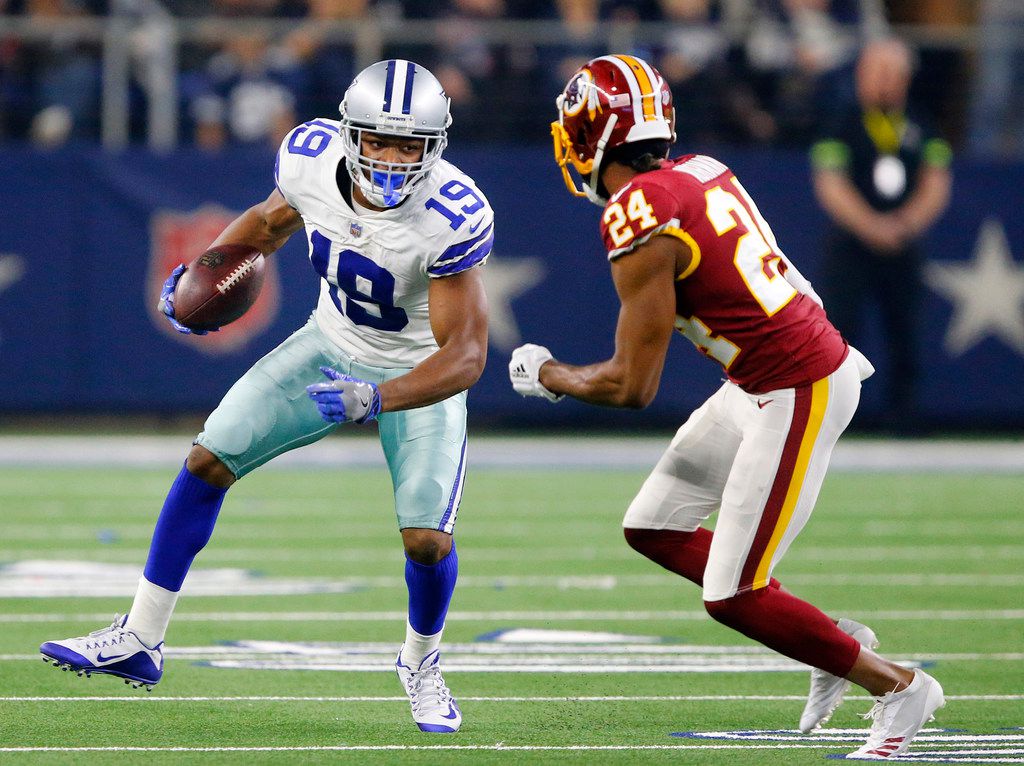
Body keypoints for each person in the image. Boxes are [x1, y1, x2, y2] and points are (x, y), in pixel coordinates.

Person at [509, 54, 943, 759]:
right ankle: (829, 638)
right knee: (654, 526)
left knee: (733, 594)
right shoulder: (701, 170)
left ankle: (898, 687)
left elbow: (631, 387)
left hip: (793, 386)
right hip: (761, 379)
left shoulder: (637, 214)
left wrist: (551, 373)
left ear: (594, 135)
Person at [40, 59, 493, 734]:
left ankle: (421, 664)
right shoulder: (310, 160)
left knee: (426, 540)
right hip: (327, 343)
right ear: (349, 135)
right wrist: (196, 275)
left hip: (415, 368)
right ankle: (140, 638)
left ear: (435, 148)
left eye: (409, 146)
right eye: (378, 141)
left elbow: (466, 356)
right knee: (207, 460)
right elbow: (267, 224)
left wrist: (376, 398)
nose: (393, 160)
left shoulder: (452, 215)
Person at [811, 38, 952, 430]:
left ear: (906, 79)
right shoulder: (840, 121)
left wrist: (905, 223)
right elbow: (830, 182)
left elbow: (936, 179)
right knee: (839, 331)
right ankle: (833, 419)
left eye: (893, 74)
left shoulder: (921, 123)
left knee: (904, 330)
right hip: (850, 244)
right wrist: (870, 225)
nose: (884, 82)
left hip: (903, 244)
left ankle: (903, 418)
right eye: (877, 72)